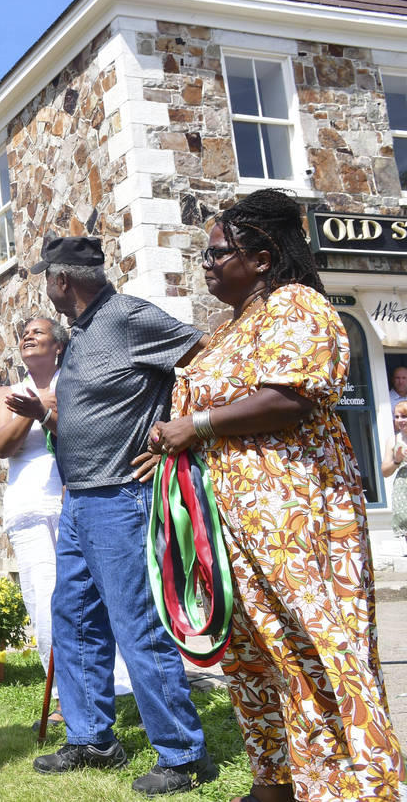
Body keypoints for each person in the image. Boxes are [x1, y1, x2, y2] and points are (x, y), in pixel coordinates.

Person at [151, 189, 404, 802]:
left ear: (261, 257)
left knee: (317, 643)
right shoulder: (229, 330)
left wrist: (198, 426)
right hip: (232, 518)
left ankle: (356, 784)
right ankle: (279, 781)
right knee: (254, 651)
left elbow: (293, 396)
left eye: (217, 253)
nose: (206, 265)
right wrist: (170, 444)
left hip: (293, 512)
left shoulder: (298, 306)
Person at [29, 237, 215, 795]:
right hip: (81, 500)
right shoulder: (81, 335)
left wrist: (178, 434)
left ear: (62, 281)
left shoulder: (129, 316)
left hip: (123, 500)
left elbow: (205, 360)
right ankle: (92, 738)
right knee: (76, 619)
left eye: (47, 281)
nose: (47, 291)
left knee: (138, 625)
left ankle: (183, 754)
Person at [0, 316, 132, 724]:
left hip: (80, 498)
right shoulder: (7, 393)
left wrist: (51, 408)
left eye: (38, 332)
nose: (28, 336)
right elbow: (1, 445)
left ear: (60, 345)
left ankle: (116, 687)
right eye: (23, 333)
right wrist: (35, 408)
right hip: (31, 507)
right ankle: (70, 697)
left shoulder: (77, 384)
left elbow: (93, 434)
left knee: (99, 596)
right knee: (47, 602)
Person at [382, 399, 407, 537]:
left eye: (404, 416)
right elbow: (385, 472)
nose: (399, 420)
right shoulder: (393, 440)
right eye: (397, 417)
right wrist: (396, 461)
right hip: (403, 489)